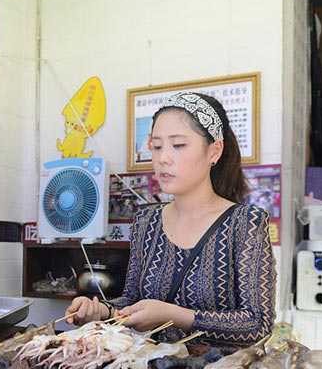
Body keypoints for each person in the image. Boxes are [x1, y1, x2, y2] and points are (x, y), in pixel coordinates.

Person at [65, 92, 276, 353]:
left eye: (178, 145)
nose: (163, 158)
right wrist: (101, 310)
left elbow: (258, 324)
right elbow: (132, 300)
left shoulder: (246, 223)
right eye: (156, 146)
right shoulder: (147, 221)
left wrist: (174, 315)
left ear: (214, 150)